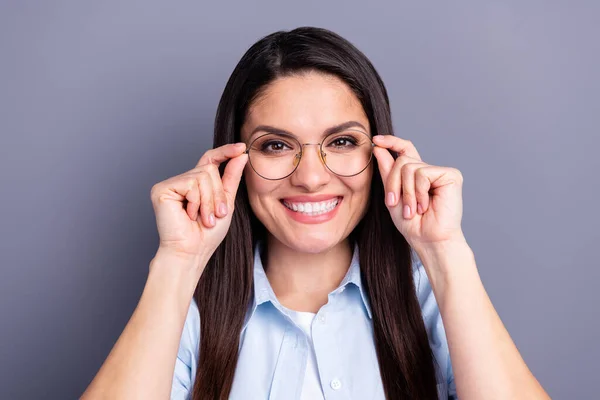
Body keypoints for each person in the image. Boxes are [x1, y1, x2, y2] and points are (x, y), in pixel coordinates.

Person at [82, 27, 549, 400]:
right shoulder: (189, 307)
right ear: (235, 162)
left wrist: (446, 252)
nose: (310, 177)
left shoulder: (429, 296)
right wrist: (177, 262)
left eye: (341, 142)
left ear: (381, 154)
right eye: (276, 145)